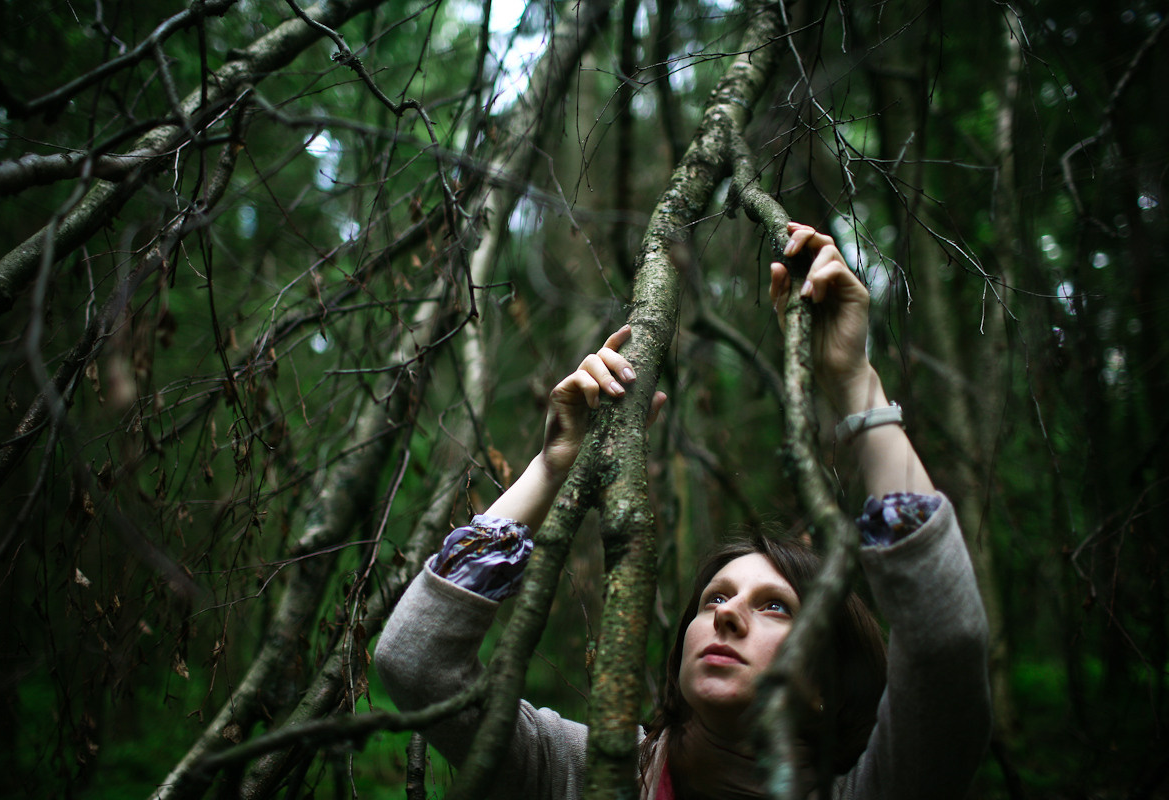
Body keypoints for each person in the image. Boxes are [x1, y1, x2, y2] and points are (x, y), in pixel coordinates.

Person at [374, 222, 992, 799]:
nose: (726, 618)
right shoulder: (577, 771)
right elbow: (416, 661)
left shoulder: (879, 787)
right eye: (714, 599)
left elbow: (946, 639)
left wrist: (855, 380)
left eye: (775, 606)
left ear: (826, 688)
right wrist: (553, 467)